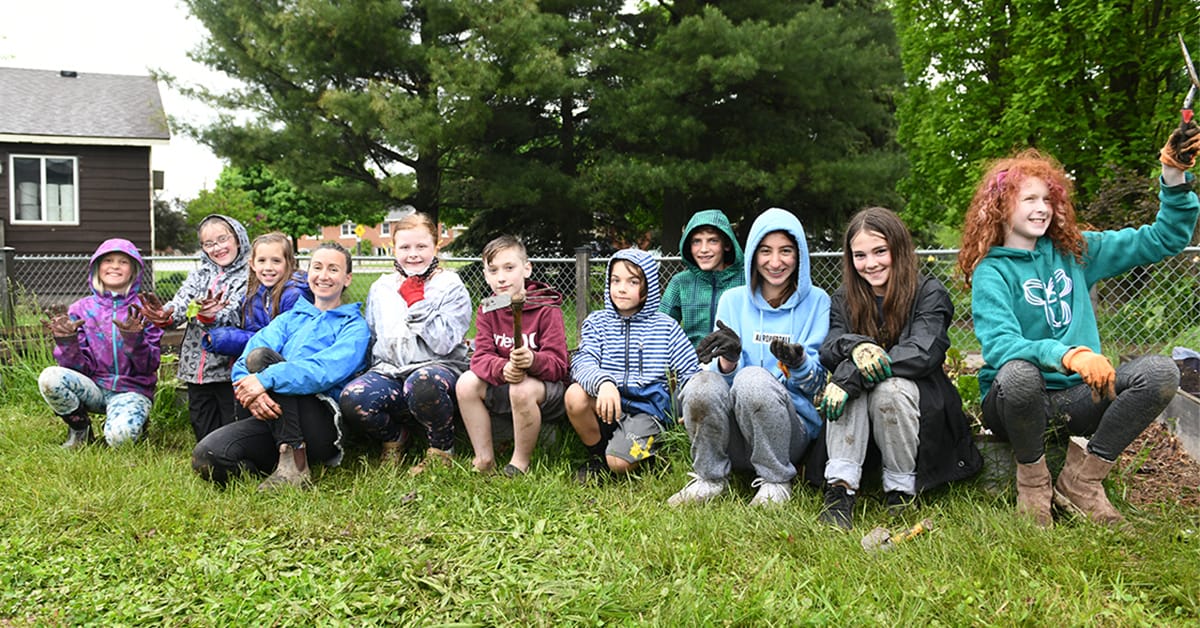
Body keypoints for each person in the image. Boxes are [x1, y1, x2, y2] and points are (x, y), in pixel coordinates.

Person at [957, 126, 1200, 527]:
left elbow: (1162, 239)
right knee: (1018, 374)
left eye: (1047, 199)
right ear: (1000, 206)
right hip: (1014, 405)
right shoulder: (991, 271)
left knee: (1160, 372)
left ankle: (1084, 480)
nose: (1042, 208)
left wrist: (1174, 176)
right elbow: (1000, 346)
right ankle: (1033, 483)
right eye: (1029, 199)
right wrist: (1068, 353)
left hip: (1076, 401)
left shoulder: (1076, 252)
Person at [810, 207, 981, 530]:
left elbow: (923, 352)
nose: (870, 263)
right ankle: (840, 490)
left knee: (886, 387)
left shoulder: (929, 292)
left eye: (879, 251)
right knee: (855, 392)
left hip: (918, 408)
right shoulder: (844, 297)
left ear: (898, 248)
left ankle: (901, 491)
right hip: (859, 422)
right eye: (859, 255)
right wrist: (857, 347)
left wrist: (852, 375)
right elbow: (830, 347)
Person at [667, 208, 828, 506]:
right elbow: (719, 382)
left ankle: (776, 481)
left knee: (753, 378)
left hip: (787, 435)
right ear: (753, 254)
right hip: (734, 436)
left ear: (800, 255)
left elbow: (817, 385)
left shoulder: (817, 301)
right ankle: (710, 477)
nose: (776, 262)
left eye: (786, 251)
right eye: (765, 251)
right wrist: (728, 360)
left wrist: (799, 364)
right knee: (701, 381)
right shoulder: (733, 300)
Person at [191, 242, 370, 490]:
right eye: (317, 267)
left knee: (262, 359)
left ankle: (296, 462)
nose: (323, 275)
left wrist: (265, 380)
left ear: (347, 278)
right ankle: (277, 464)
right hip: (273, 416)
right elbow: (245, 359)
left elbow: (323, 371)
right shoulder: (288, 319)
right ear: (308, 274)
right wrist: (253, 394)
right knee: (207, 456)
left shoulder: (354, 326)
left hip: (319, 421)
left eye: (333, 269)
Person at [339, 212, 472, 475]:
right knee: (353, 397)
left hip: (438, 369)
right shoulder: (381, 287)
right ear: (393, 249)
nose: (413, 254)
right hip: (391, 370)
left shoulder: (451, 285)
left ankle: (441, 449)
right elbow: (375, 334)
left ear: (436, 246)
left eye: (421, 246)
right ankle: (396, 438)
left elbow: (444, 343)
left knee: (423, 381)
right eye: (405, 247)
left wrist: (416, 303)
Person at [568, 247, 699, 483]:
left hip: (647, 410)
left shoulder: (665, 327)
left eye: (632, 281)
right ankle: (598, 457)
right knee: (574, 396)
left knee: (619, 463)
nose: (621, 288)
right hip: (609, 402)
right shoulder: (597, 322)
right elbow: (582, 360)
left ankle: (650, 450)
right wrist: (604, 383)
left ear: (647, 288)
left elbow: (690, 370)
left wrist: (689, 405)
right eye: (615, 280)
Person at [456, 235, 569, 477]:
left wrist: (533, 360)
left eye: (509, 268)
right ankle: (484, 458)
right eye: (493, 270)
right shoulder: (489, 308)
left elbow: (560, 366)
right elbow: (480, 357)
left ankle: (519, 462)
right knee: (466, 383)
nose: (501, 277)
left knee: (522, 388)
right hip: (506, 384)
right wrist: (502, 368)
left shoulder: (546, 308)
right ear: (486, 275)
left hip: (544, 393)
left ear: (526, 269)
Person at [38, 239, 163, 448]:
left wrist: (134, 341)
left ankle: (133, 423)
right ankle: (80, 430)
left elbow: (149, 366)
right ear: (97, 267)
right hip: (94, 387)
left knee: (120, 439)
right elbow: (78, 369)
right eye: (108, 261)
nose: (115, 266)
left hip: (131, 390)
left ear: (134, 271)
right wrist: (67, 342)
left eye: (123, 262)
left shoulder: (144, 310)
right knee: (50, 378)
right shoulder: (81, 309)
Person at [140, 214, 250, 441]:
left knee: (231, 424)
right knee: (202, 421)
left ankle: (234, 456)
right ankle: (207, 453)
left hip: (227, 369)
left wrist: (212, 316)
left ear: (238, 239)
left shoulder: (249, 276)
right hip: (195, 368)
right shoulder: (200, 274)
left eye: (222, 239)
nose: (217, 247)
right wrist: (167, 314)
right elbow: (182, 301)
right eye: (209, 243)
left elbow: (236, 314)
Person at [202, 232, 311, 358]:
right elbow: (237, 320)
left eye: (276, 261)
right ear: (252, 264)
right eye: (262, 261)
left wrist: (225, 338)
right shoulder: (253, 292)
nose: (268, 267)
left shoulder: (294, 295)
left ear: (289, 263)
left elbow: (282, 342)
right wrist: (210, 316)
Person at [659, 209, 745, 348]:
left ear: (727, 244)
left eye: (712, 240)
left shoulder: (746, 281)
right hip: (692, 364)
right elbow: (660, 331)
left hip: (737, 363)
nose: (703, 249)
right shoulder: (680, 283)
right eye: (696, 241)